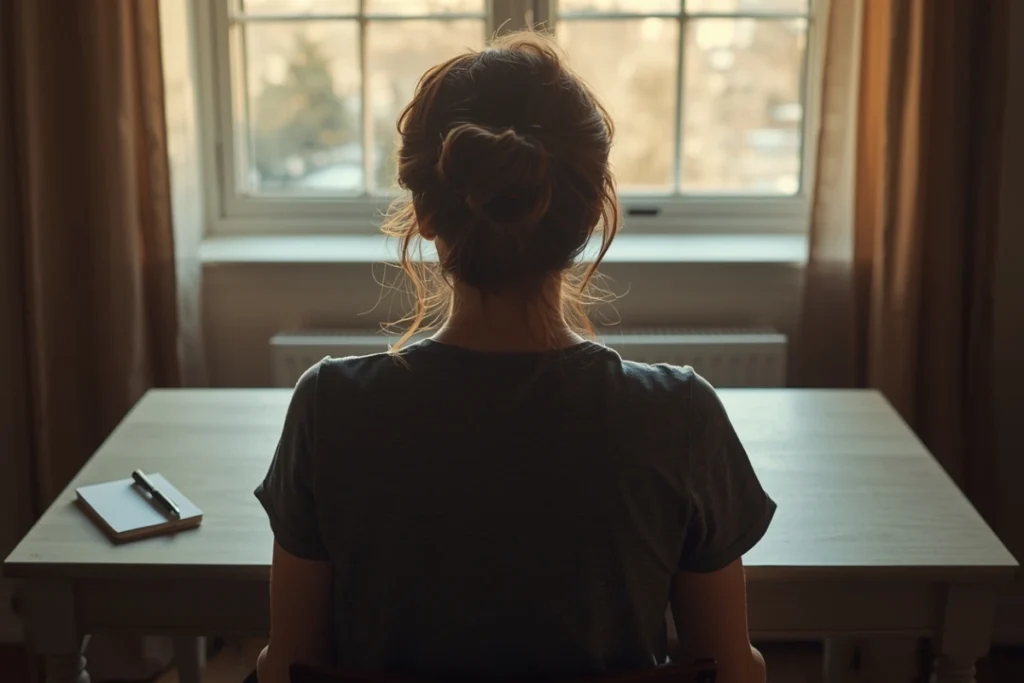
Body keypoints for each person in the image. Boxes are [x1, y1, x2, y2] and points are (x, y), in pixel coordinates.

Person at [254, 31, 775, 683]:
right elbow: (731, 670)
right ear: (590, 213)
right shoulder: (681, 417)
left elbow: (289, 668)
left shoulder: (327, 407)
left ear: (424, 212)